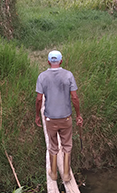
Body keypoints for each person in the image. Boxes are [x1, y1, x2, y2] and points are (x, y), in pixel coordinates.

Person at [35, 50, 83, 182]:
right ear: (61, 61)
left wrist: (37, 116)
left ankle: (54, 173)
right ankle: (67, 174)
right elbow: (74, 97)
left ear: (48, 62)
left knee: (53, 145)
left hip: (50, 118)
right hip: (66, 117)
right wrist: (78, 115)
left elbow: (39, 99)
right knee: (67, 145)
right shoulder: (68, 75)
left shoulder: (42, 77)